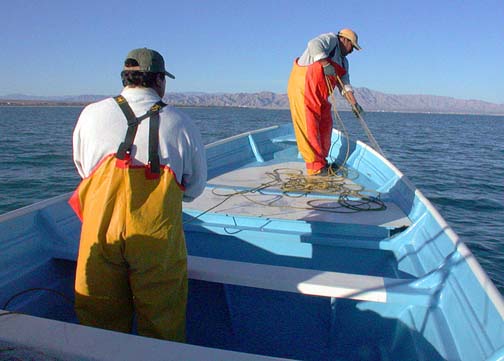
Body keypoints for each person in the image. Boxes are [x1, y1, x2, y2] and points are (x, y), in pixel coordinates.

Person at [69, 47, 207, 342]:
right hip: (156, 237)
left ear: (126, 77)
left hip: (100, 230)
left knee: (98, 313)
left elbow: (82, 170)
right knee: (162, 318)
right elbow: (194, 188)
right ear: (159, 80)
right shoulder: (181, 123)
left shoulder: (90, 114)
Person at [287, 29, 363, 176]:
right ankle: (315, 168)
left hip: (320, 96)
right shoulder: (331, 40)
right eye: (352, 47)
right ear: (344, 40)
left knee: (325, 125)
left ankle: (322, 161)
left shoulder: (344, 62)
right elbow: (313, 44)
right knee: (309, 128)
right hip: (303, 88)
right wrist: (324, 63)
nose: (352, 51)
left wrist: (354, 104)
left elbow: (344, 84)